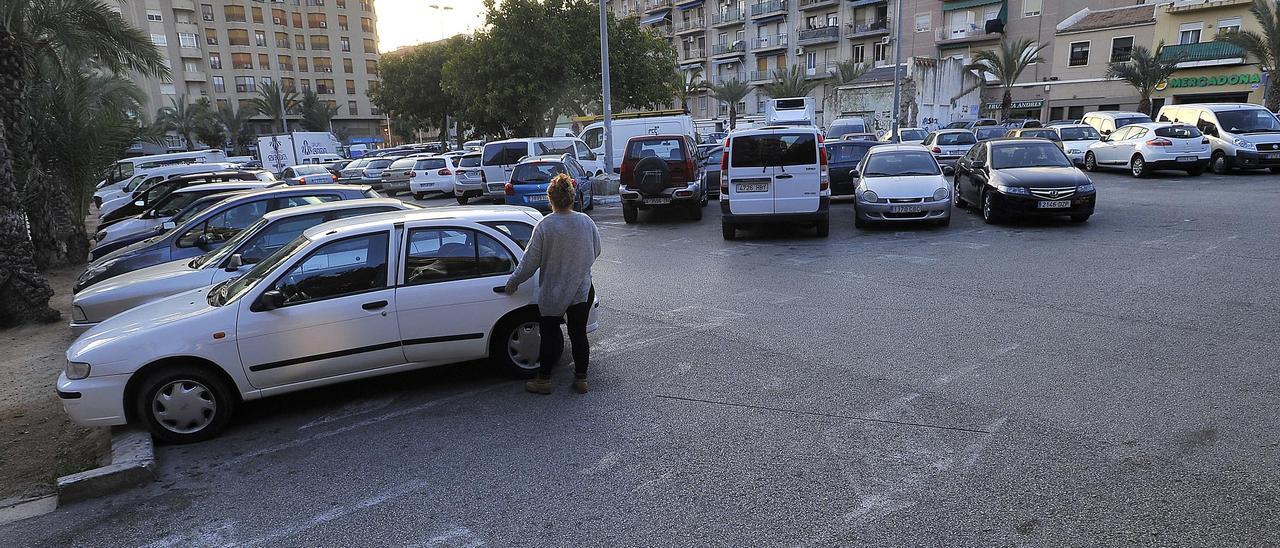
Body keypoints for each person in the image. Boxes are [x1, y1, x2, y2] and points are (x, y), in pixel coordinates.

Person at [505, 173, 601, 394]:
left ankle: (544, 380)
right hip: (581, 289)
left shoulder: (545, 226)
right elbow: (596, 251)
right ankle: (581, 379)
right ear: (572, 196)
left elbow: (529, 263)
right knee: (578, 335)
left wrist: (513, 283)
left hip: (553, 291)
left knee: (548, 334)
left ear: (551, 199)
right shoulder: (586, 222)